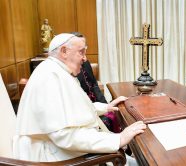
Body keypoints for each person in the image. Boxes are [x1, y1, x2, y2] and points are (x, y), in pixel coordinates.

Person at [13, 33, 146, 164]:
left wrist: (106, 107)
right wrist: (118, 139)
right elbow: (63, 135)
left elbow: (72, 110)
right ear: (64, 51)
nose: (85, 59)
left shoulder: (57, 71)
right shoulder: (50, 77)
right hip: (53, 157)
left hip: (64, 150)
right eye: (81, 52)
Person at [71, 32, 121, 132]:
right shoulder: (68, 70)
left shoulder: (86, 62)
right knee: (107, 118)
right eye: (81, 51)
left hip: (94, 102)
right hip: (83, 107)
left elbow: (94, 85)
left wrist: (106, 104)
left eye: (85, 48)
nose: (84, 57)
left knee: (112, 114)